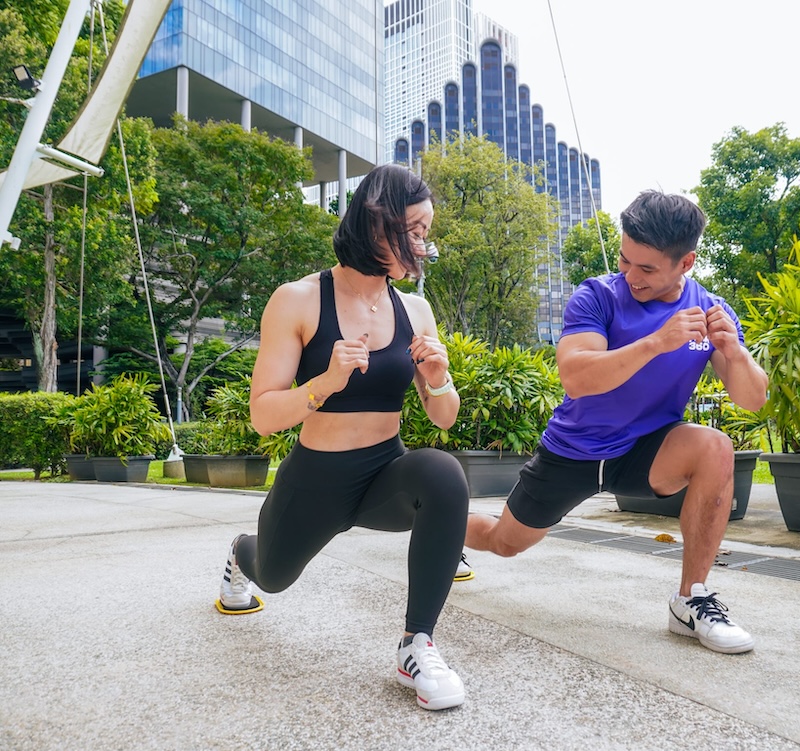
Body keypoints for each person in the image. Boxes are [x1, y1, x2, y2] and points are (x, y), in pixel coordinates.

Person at [464, 190, 768, 654]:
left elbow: (752, 400)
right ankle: (442, 526)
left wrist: (735, 352)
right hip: (573, 452)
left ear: (685, 263)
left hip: (644, 450)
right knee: (505, 542)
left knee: (715, 446)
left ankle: (692, 599)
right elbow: (576, 376)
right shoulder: (597, 295)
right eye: (626, 260)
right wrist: (655, 342)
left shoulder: (710, 310)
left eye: (646, 268)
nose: (631, 276)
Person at [216, 164, 470, 710]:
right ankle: (241, 553)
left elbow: (444, 417)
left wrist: (439, 379)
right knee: (275, 575)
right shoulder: (299, 299)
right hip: (317, 477)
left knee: (443, 474)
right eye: (417, 231)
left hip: (386, 472)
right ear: (379, 225)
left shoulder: (416, 310)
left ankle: (416, 644)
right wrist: (326, 383)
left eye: (427, 233)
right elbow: (263, 415)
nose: (425, 246)